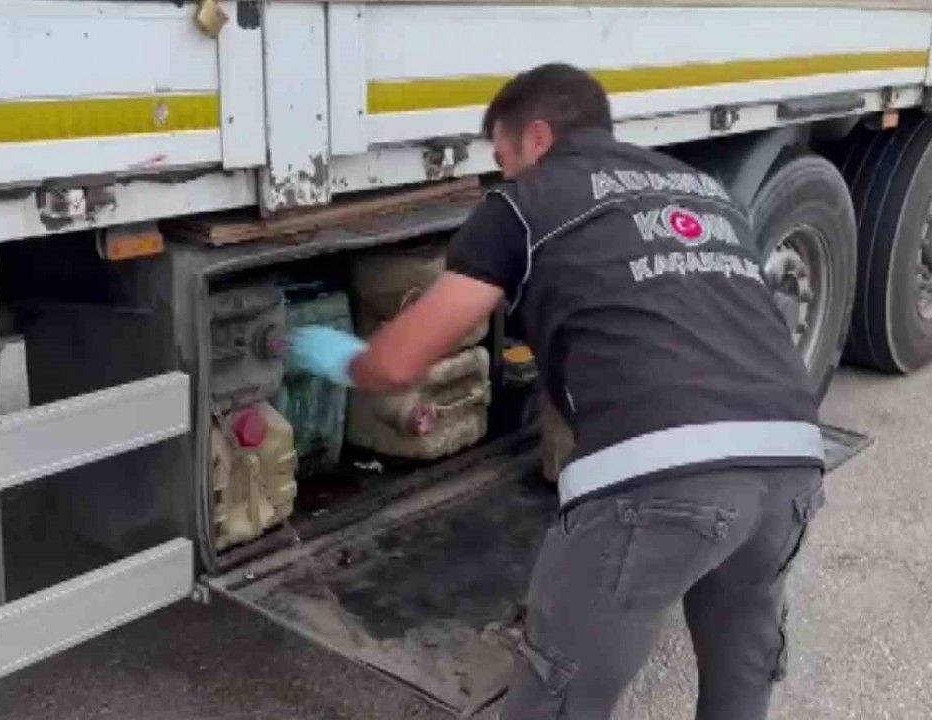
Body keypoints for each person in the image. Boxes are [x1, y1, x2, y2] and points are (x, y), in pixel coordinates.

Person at [289, 63, 826, 720]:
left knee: (558, 698)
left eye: (503, 158)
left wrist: (350, 361)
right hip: (792, 459)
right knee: (742, 677)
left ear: (537, 137)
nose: (503, 175)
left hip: (664, 475)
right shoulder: (703, 190)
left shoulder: (525, 203)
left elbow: (400, 364)